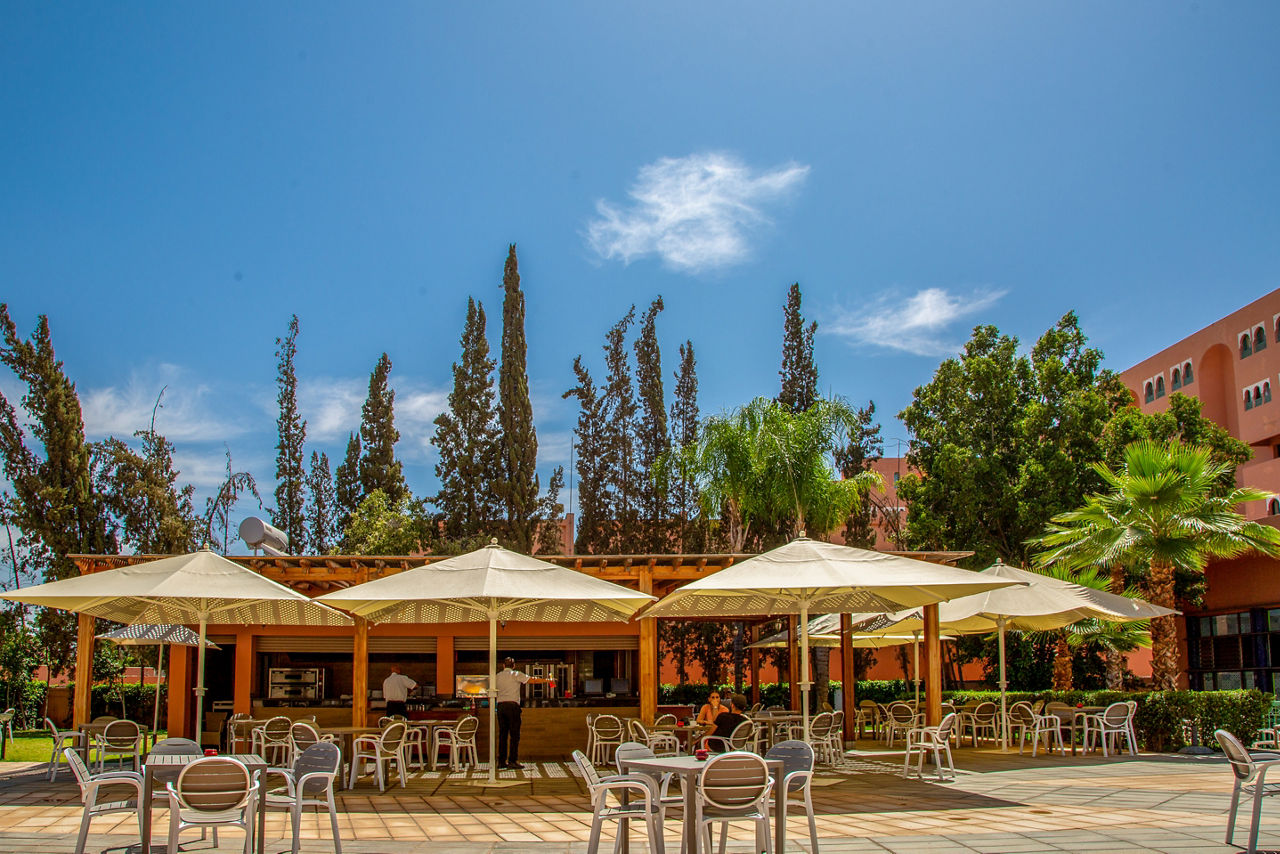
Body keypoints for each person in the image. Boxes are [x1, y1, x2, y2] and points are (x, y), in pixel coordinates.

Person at [494, 657, 549, 770]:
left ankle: (501, 761)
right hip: (512, 706)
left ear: (503, 666)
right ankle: (512, 760)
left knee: (503, 734)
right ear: (514, 666)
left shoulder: (497, 676)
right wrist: (547, 680)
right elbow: (532, 680)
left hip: (500, 706)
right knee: (514, 735)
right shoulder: (516, 674)